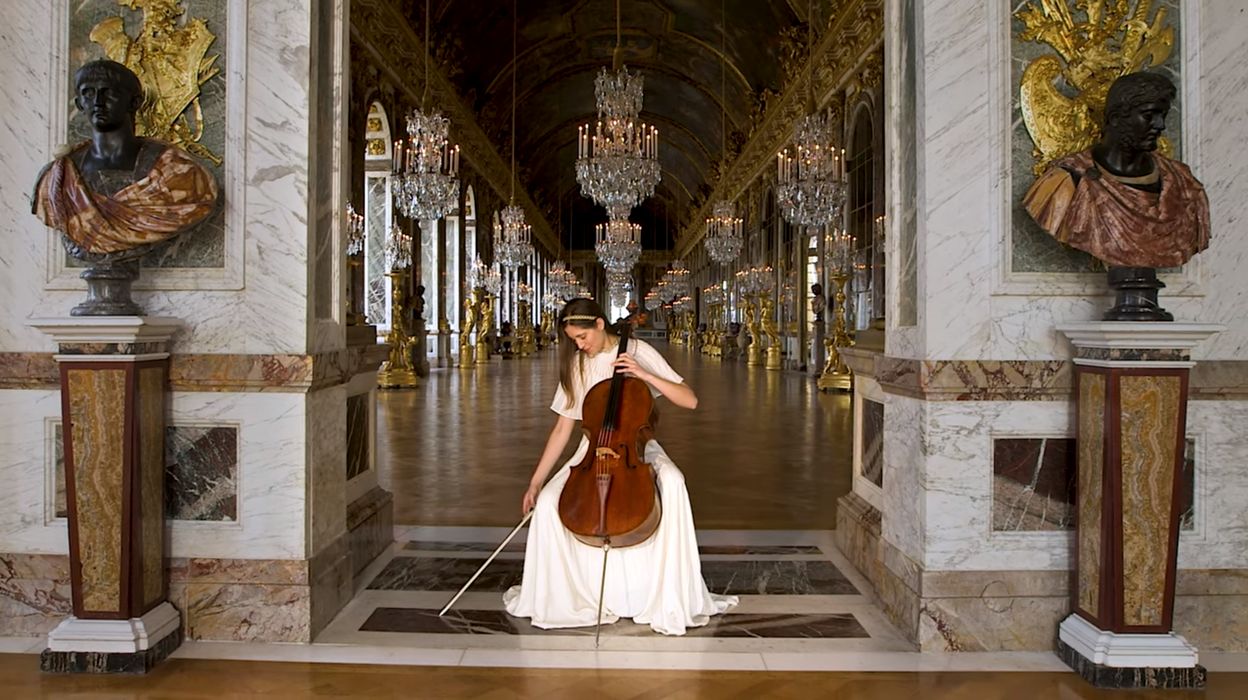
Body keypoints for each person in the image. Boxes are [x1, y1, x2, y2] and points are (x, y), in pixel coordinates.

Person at [504, 298, 737, 635]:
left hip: (635, 445)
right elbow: (562, 429)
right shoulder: (578, 365)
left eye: (583, 337)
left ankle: (668, 593)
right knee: (549, 502)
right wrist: (536, 482)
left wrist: (644, 373)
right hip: (591, 449)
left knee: (672, 480)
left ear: (600, 324)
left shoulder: (638, 350)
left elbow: (690, 400)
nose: (579, 345)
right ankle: (565, 596)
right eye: (573, 340)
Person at [1023, 71, 1209, 269]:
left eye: (1162, 115)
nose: (1160, 125)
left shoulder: (1185, 184)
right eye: (1148, 115)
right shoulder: (1066, 181)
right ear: (1115, 118)